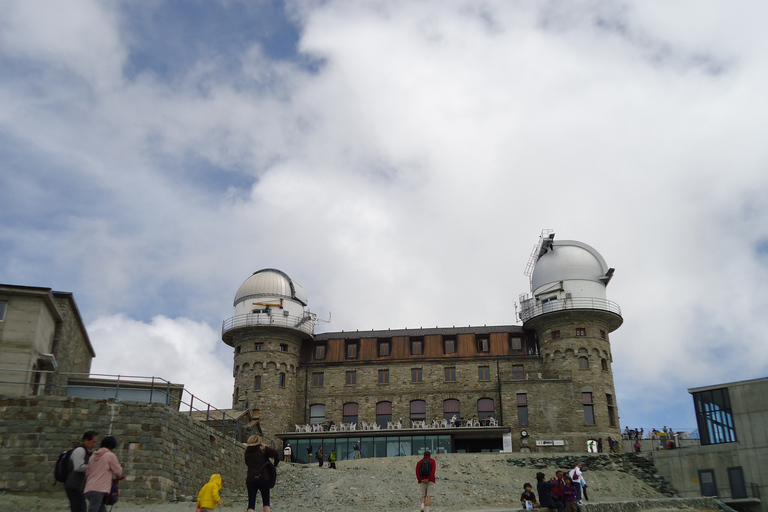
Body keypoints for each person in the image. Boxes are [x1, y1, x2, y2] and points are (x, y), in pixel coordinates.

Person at [84, 436, 123, 512]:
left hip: (89, 488)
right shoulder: (110, 455)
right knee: (93, 509)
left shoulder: (93, 456)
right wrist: (120, 475)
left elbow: (87, 472)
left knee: (101, 510)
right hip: (99, 489)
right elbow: (118, 471)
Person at [65, 430, 99, 512]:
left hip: (79, 486)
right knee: (79, 508)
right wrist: (91, 467)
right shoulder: (80, 451)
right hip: (74, 486)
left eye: (95, 442)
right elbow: (78, 467)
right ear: (86, 440)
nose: (94, 444)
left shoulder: (88, 452)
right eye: (92, 442)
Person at [244, 435, 280, 512]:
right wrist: (275, 464)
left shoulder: (247, 451)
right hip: (263, 477)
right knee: (266, 502)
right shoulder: (263, 449)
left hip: (251, 478)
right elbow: (275, 453)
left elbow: (247, 463)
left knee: (251, 504)